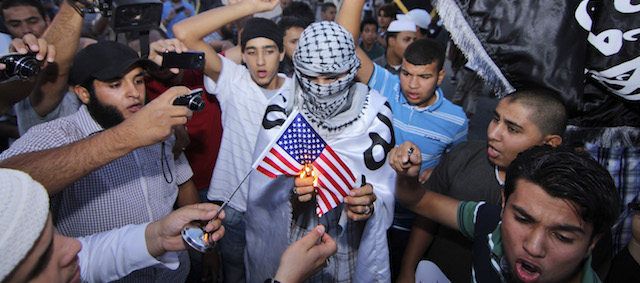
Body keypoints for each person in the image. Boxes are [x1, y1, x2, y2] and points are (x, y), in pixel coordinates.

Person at [0, 39, 200, 281]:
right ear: (84, 93)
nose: (134, 92)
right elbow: (8, 182)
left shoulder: (159, 126)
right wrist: (128, 136)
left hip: (173, 272)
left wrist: (203, 246)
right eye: (115, 84)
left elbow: (182, 182)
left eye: (138, 80)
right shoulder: (58, 136)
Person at [246, 20, 395, 282]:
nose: (322, 86)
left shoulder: (374, 113)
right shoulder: (282, 112)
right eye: (312, 77)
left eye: (334, 78)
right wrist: (294, 191)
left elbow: (383, 189)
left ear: (352, 69)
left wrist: (366, 205)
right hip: (297, 235)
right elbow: (266, 194)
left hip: (349, 241)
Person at [0, 168, 337, 283]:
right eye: (44, 255)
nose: (72, 244)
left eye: (55, 235)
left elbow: (89, 256)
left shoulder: (68, 258)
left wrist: (157, 235)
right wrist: (286, 278)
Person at [339, 2, 468, 278]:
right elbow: (346, 44)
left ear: (441, 76)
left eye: (424, 77)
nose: (411, 84)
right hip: (369, 214)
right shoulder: (387, 84)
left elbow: (454, 170)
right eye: (407, 74)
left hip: (415, 227)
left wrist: (436, 170)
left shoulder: (457, 120)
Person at [173, 0, 291, 281]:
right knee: (233, 274)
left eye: (269, 51)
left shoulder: (297, 90)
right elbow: (184, 33)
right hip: (233, 207)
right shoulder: (234, 80)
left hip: (277, 212)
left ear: (282, 52)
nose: (260, 62)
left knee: (274, 275)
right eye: (251, 52)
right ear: (242, 54)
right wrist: (250, 5)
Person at [397, 89, 567, 283]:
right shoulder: (462, 156)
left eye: (512, 129)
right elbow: (425, 211)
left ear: (549, 143)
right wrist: (407, 269)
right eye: (495, 119)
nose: (493, 134)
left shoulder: (560, 203)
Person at [390, 144, 621, 283]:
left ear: (593, 242)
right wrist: (407, 174)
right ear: (503, 202)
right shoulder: (488, 221)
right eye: (522, 219)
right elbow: (418, 199)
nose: (533, 246)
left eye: (562, 236)